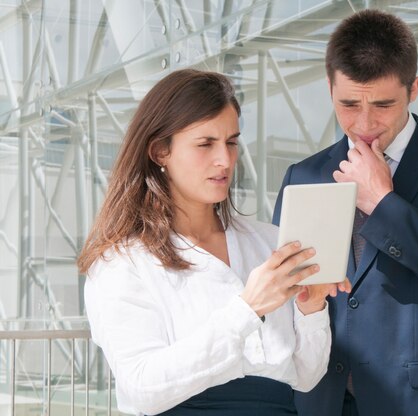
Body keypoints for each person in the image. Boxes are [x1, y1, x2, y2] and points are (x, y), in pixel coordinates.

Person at [272, 10, 418, 416]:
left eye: (383, 104)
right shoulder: (304, 174)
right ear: (330, 88)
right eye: (348, 104)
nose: (364, 124)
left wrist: (384, 205)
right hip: (320, 402)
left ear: (413, 88)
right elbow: (281, 305)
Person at [77, 69, 350, 416]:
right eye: (205, 144)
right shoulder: (123, 263)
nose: (225, 159)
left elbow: (305, 376)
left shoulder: (270, 244)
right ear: (161, 151)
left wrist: (311, 307)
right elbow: (142, 387)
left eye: (231, 142)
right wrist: (247, 309)